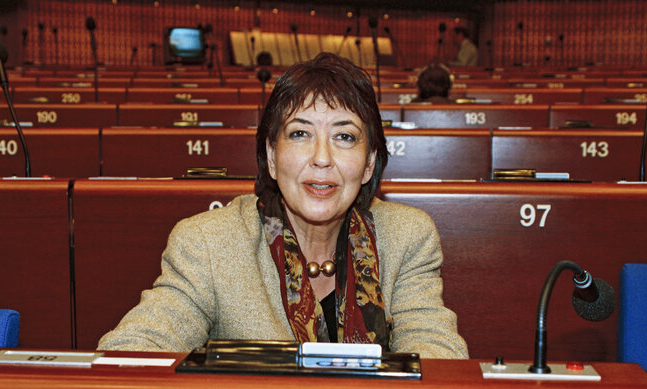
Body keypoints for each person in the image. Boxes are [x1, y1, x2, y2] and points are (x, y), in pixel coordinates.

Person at [98, 52, 467, 359]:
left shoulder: (407, 236)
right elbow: (132, 355)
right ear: (271, 157)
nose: (322, 158)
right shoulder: (208, 244)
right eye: (300, 133)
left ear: (369, 162)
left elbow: (437, 354)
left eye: (344, 136)